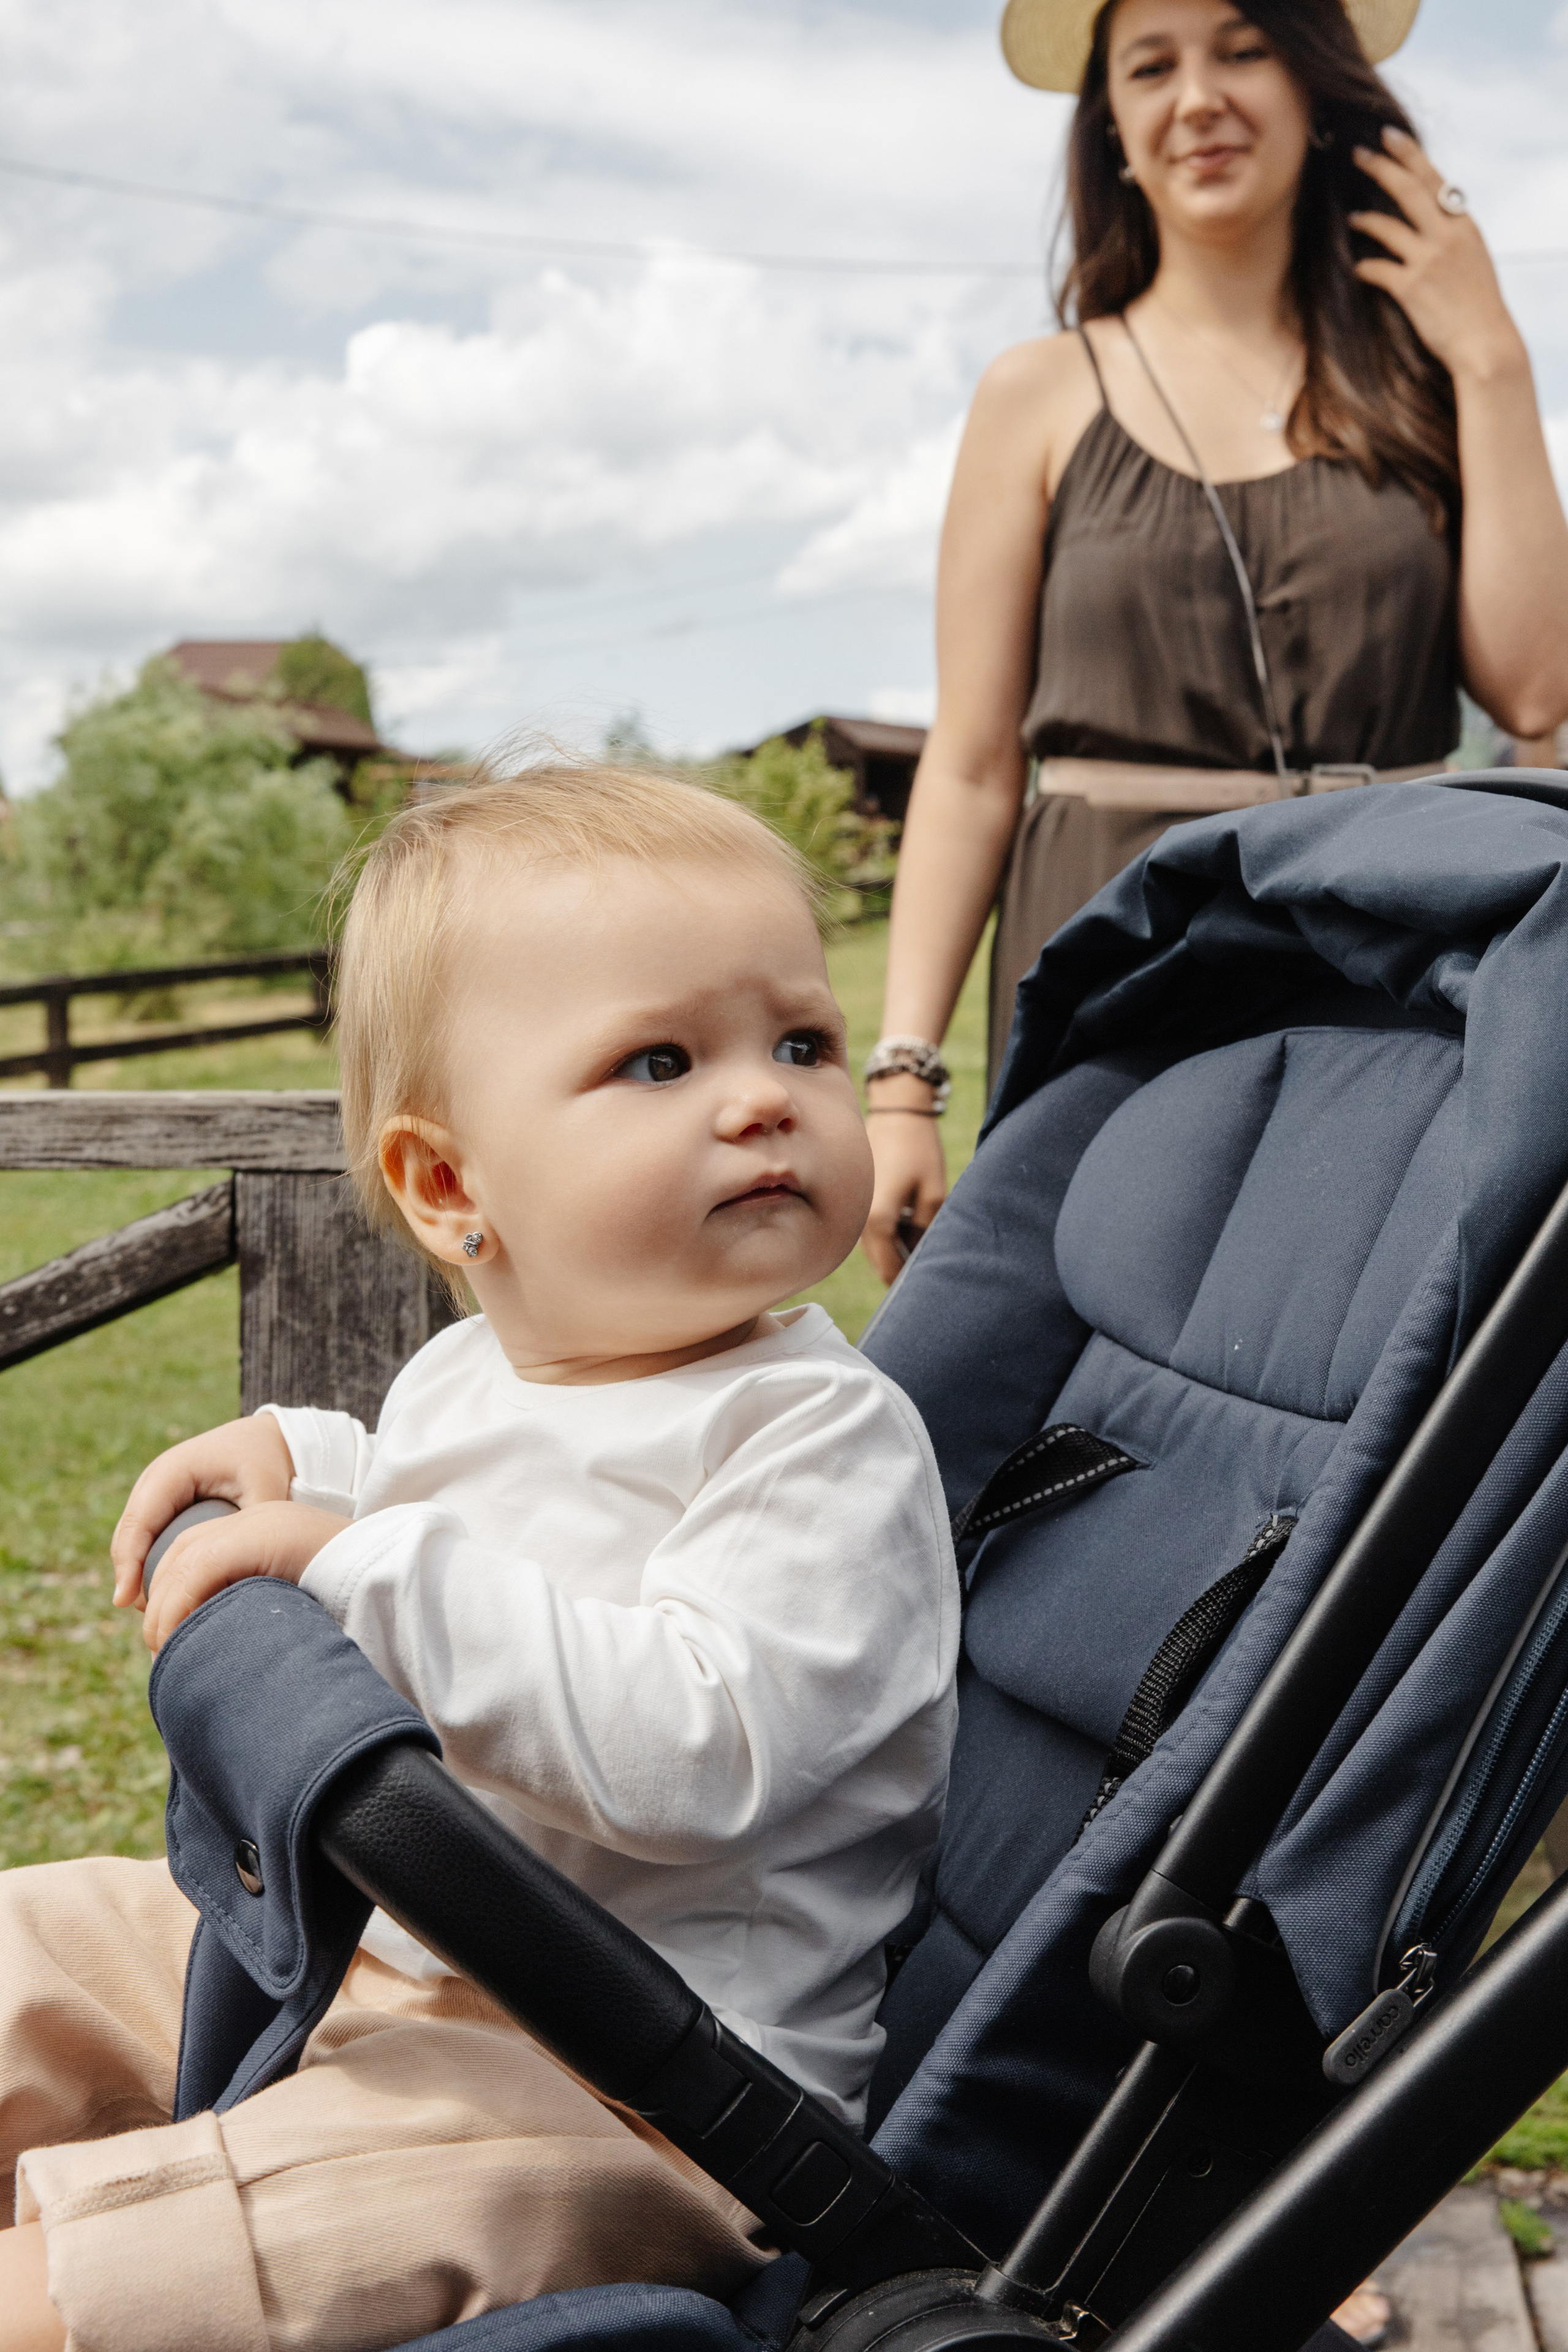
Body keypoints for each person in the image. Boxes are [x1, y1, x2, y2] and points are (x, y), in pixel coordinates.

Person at [0, 766, 960, 2352]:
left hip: (637, 2091)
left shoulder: (820, 1443)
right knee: (46, 1943)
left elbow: (695, 1746)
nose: (761, 1096)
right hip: (373, 1949)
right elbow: (473, 1510)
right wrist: (309, 1463)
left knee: (223, 2239)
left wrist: (364, 1554)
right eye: (662, 1059)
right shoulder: (477, 1370)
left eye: (800, 1042)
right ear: (452, 1189)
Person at [861, 0, 1568, 1284]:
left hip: (1382, 959)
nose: (1198, 95)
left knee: (1366, 1376)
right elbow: (968, 766)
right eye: (1151, 65)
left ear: (1310, 91)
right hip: (1111, 963)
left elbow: (1532, 683)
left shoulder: (1420, 380)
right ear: (1114, 133)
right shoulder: (1036, 391)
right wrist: (900, 1081)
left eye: (1242, 48)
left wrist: (1490, 353)